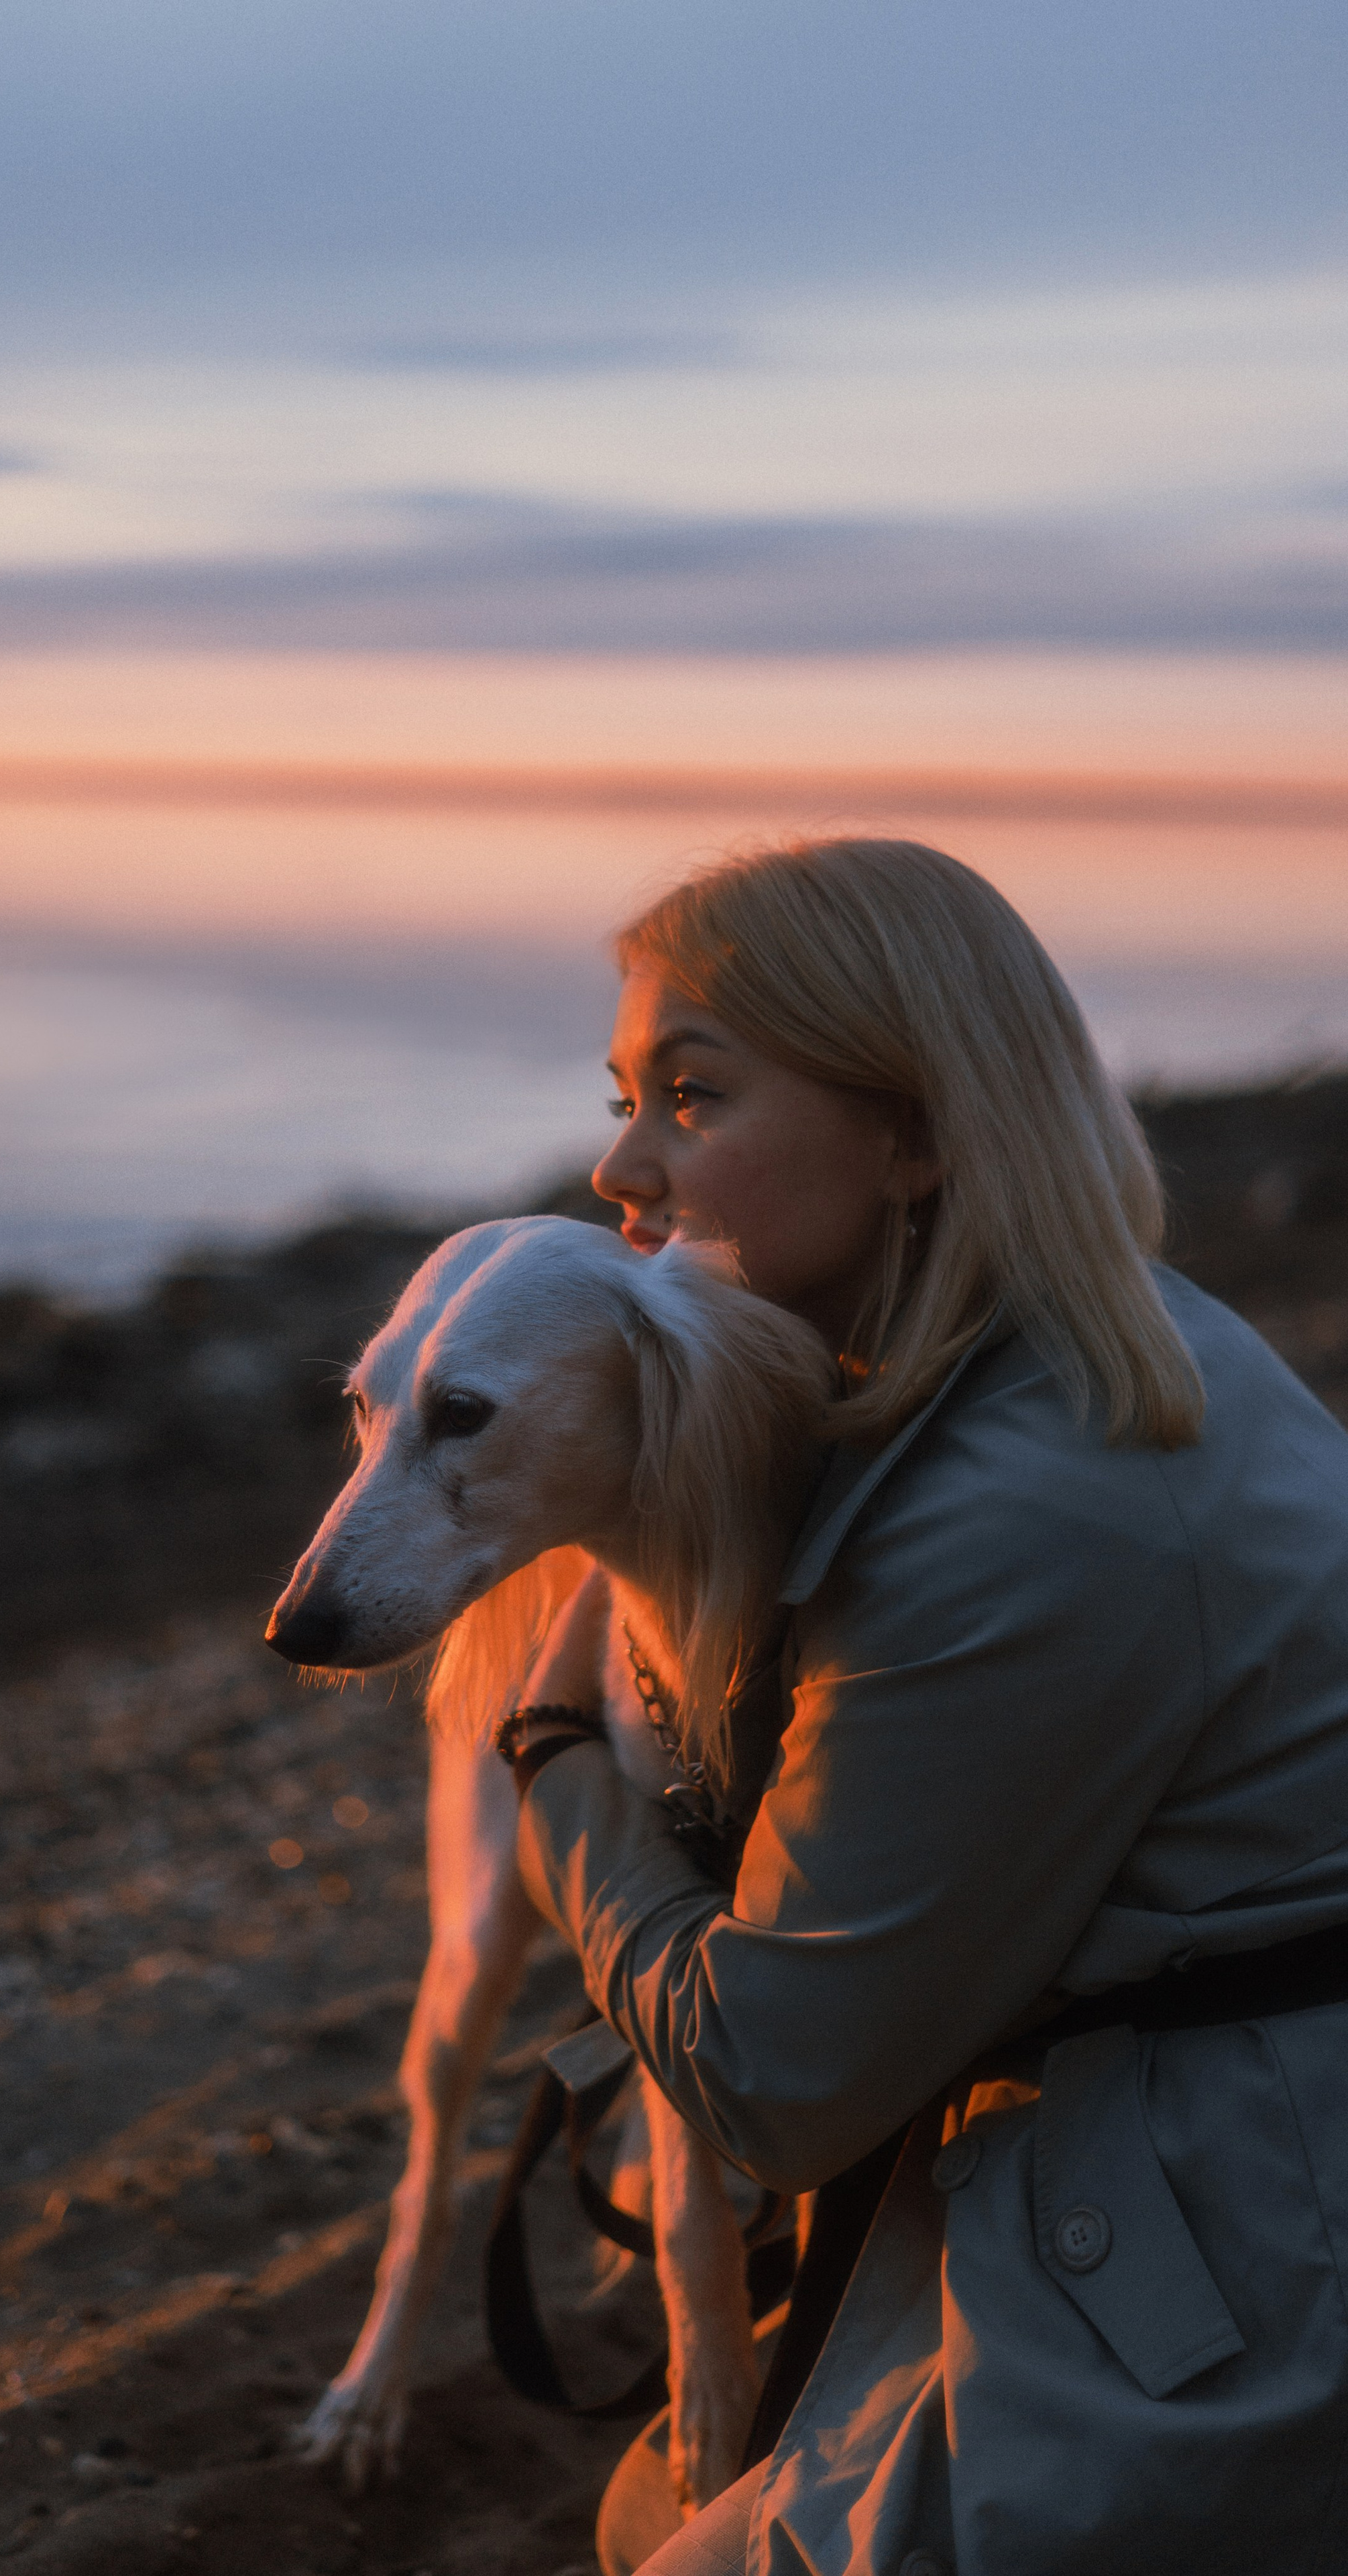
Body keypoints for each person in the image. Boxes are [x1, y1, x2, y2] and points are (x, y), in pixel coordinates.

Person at [504, 839, 1348, 2576]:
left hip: (1253, 2242)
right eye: (624, 1096)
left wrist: (557, 1761)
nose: (618, 1166)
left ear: (923, 1135)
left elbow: (779, 2079)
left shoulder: (1032, 1507)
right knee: (646, 2511)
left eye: (692, 1095)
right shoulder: (1025, 1378)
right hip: (1183, 2137)